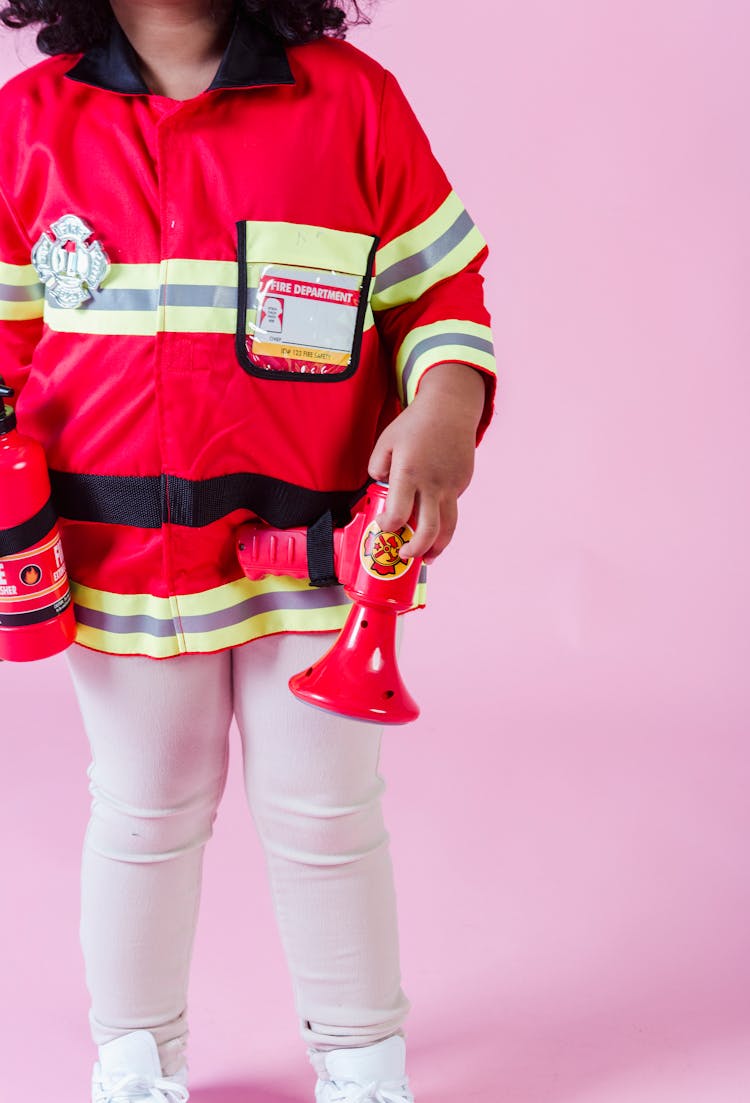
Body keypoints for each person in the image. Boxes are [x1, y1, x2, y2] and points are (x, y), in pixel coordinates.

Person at [0, 1, 497, 1101]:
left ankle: (365, 1064)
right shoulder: (26, 125)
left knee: (325, 805)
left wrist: (448, 402)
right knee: (144, 802)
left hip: (320, 550)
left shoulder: (351, 100)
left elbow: (438, 291)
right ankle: (134, 1059)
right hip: (114, 552)